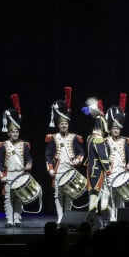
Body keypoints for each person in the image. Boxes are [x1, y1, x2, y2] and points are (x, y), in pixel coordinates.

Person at [45, 86, 85, 223]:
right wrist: (50, 168)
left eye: (65, 123)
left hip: (70, 169)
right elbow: (48, 155)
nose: (63, 125)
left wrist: (78, 160)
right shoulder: (53, 137)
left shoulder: (75, 137)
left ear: (68, 124)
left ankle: (67, 217)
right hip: (57, 169)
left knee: (69, 194)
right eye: (61, 123)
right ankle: (60, 217)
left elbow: (81, 152)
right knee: (58, 194)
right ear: (58, 124)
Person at [0, 94, 33, 227]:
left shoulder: (24, 145)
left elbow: (29, 159)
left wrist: (29, 165)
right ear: (8, 133)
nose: (15, 134)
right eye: (13, 132)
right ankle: (9, 220)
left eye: (17, 132)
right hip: (9, 174)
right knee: (8, 199)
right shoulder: (3, 145)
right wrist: (1, 176)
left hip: (21, 175)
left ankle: (17, 219)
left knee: (19, 198)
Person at [105, 93, 129, 222]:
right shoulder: (105, 141)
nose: (116, 130)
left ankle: (121, 217)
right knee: (111, 196)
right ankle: (112, 216)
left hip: (121, 171)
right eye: (113, 128)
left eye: (118, 128)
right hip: (110, 172)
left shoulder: (125, 141)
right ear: (110, 129)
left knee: (121, 196)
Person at [81, 96, 111, 215]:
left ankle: (92, 218)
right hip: (98, 170)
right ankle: (104, 219)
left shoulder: (90, 137)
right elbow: (102, 156)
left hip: (91, 170)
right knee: (104, 194)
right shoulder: (98, 138)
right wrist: (108, 169)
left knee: (93, 195)